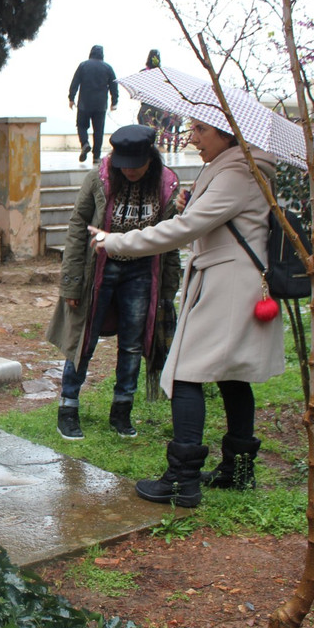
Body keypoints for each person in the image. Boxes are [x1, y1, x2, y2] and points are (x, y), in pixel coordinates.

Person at [87, 119, 285, 507]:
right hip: (235, 280)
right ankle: (237, 471)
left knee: (184, 372)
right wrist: (190, 203)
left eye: (200, 129)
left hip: (228, 285)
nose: (191, 137)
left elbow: (184, 229)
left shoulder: (238, 172)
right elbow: (213, 219)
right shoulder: (238, 167)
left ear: (228, 131)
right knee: (232, 375)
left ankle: (182, 480)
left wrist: (116, 241)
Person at [46, 125, 181, 441]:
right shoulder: (100, 178)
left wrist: (168, 290)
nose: (130, 170)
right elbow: (78, 226)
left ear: (150, 158)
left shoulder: (165, 186)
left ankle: (122, 410)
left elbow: (172, 239)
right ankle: (68, 408)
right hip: (100, 271)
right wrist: (72, 283)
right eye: (125, 163)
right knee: (84, 339)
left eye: (137, 163)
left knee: (133, 344)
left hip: (141, 273)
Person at [67, 44, 119, 164]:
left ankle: (85, 143)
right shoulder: (107, 68)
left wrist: (71, 98)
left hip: (84, 104)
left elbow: (75, 82)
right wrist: (114, 102)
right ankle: (96, 156)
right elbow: (114, 85)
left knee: (81, 126)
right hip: (100, 105)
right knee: (98, 130)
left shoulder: (83, 65)